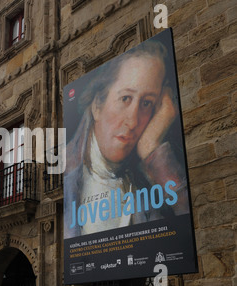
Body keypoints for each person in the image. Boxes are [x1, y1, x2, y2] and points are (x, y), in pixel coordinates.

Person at [64, 38, 190, 238]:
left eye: (147, 103)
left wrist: (152, 149)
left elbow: (189, 233)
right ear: (97, 105)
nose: (132, 121)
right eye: (125, 98)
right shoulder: (66, 173)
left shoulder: (144, 185)